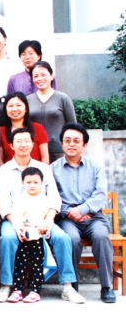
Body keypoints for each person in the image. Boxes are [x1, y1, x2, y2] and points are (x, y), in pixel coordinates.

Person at [0, 128, 84, 304]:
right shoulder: (4, 170)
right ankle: (6, 286)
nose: (23, 144)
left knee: (62, 238)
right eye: (19, 141)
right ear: (11, 145)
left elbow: (54, 200)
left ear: (32, 144)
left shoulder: (43, 168)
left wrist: (48, 221)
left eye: (27, 141)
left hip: (42, 218)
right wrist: (17, 225)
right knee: (8, 238)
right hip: (14, 220)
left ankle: (68, 287)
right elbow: (4, 205)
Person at [52, 123, 117, 303]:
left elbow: (100, 194)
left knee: (101, 236)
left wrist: (82, 210)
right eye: (67, 140)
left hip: (94, 217)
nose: (71, 144)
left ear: (84, 145)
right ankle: (72, 285)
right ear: (62, 144)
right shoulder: (53, 169)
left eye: (76, 141)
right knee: (70, 238)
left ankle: (106, 286)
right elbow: (51, 197)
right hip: (67, 219)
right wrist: (70, 212)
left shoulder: (95, 167)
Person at [6, 167, 51, 303]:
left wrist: (46, 227)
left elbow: (48, 218)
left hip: (38, 236)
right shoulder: (20, 199)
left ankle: (35, 291)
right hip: (24, 237)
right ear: (23, 183)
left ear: (42, 183)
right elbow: (16, 215)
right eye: (28, 182)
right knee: (20, 263)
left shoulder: (45, 200)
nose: (32, 185)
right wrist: (19, 228)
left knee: (37, 264)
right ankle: (17, 290)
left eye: (36, 182)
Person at [27, 61, 77, 162]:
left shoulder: (63, 98)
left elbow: (72, 126)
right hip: (35, 151)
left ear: (51, 76)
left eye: (43, 75)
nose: (40, 79)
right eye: (36, 76)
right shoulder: (28, 100)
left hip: (59, 150)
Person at [0, 92, 50, 164]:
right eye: (10, 106)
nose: (14, 109)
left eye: (18, 105)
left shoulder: (38, 128)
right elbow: (0, 160)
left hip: (35, 170)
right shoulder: (0, 131)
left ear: (26, 108)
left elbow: (45, 157)